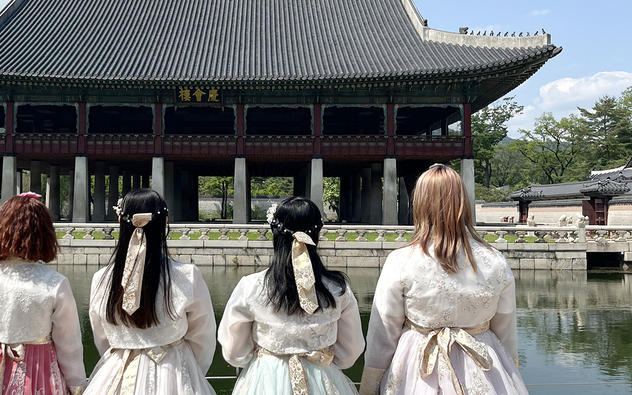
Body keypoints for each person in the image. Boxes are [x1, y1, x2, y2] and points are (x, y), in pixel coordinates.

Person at [359, 164, 527, 395]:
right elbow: (505, 332)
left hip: (416, 366)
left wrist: (370, 385)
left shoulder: (401, 260)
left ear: (420, 203)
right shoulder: (495, 260)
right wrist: (511, 369)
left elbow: (383, 333)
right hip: (483, 363)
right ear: (463, 202)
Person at [219, 196, 364, 395]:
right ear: (317, 233)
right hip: (322, 376)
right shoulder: (337, 289)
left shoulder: (251, 287)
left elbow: (234, 351)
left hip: (266, 378)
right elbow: (350, 351)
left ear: (275, 233)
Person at [0, 192, 87, 395]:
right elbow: (69, 346)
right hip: (39, 376)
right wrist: (77, 386)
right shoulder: (55, 283)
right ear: (44, 234)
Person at [84, 188, 217, 395]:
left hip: (117, 368)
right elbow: (203, 337)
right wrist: (192, 371)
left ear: (120, 222)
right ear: (165, 223)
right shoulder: (187, 275)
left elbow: (101, 336)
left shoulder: (102, 278)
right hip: (173, 371)